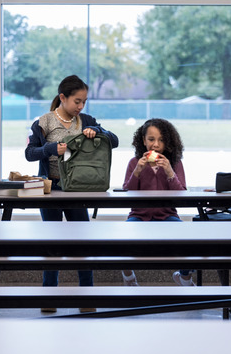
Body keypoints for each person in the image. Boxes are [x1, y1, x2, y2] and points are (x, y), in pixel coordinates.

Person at [24, 75, 118, 312]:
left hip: (77, 190)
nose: (81, 107)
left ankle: (86, 298)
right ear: (62, 98)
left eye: (84, 102)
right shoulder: (42, 122)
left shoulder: (86, 120)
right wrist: (51, 149)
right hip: (51, 190)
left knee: (82, 244)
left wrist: (95, 130)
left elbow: (114, 141)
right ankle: (49, 299)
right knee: (52, 245)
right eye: (77, 101)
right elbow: (29, 153)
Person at [120, 118, 194, 286]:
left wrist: (169, 171)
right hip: (139, 216)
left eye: (161, 140)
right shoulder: (134, 163)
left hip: (167, 216)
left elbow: (181, 194)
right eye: (151, 139)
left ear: (168, 142)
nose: (155, 145)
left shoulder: (175, 163)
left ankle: (184, 277)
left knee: (190, 239)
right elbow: (127, 192)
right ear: (143, 140)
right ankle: (129, 278)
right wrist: (137, 171)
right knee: (121, 240)